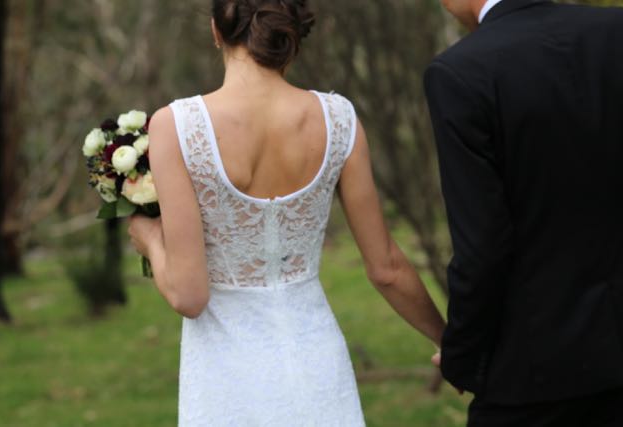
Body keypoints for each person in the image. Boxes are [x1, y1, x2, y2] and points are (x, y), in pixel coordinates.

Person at [127, 0, 445, 425]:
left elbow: (189, 296)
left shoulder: (176, 126)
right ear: (290, 36)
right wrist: (451, 343)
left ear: (216, 31)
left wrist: (149, 238)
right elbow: (386, 267)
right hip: (317, 364)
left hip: (226, 375)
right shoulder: (339, 118)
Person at [424, 0, 623, 425]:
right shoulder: (615, 29)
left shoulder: (459, 74)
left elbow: (483, 249)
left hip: (535, 375)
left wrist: (463, 355)